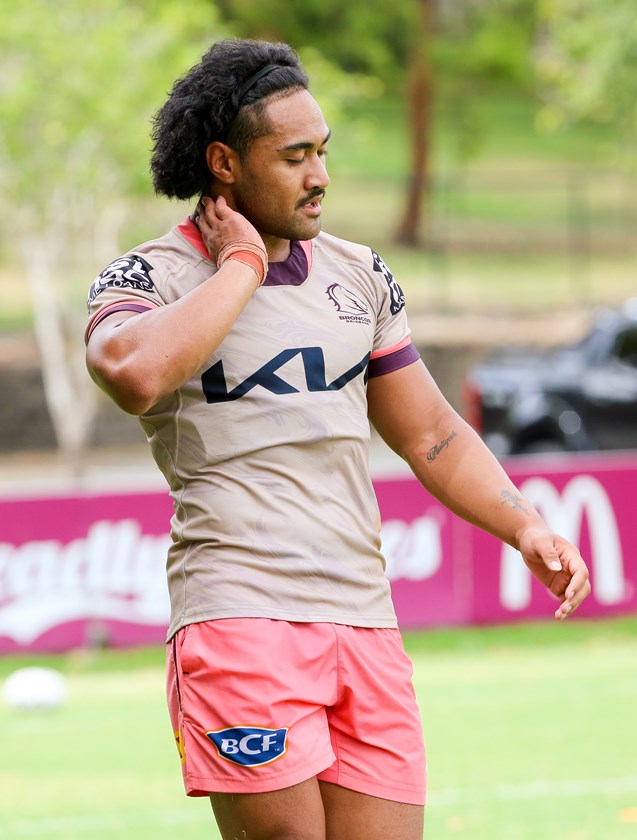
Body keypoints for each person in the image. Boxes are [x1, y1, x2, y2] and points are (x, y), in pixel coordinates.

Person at [85, 38, 591, 840]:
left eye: (322, 152)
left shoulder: (358, 276)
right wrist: (241, 267)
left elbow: (430, 435)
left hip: (364, 619)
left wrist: (522, 524)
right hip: (239, 616)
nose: (320, 175)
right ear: (223, 162)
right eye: (294, 157)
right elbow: (130, 374)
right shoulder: (150, 278)